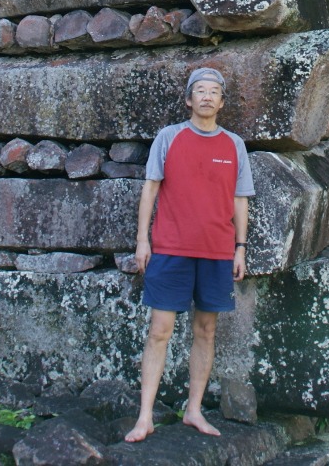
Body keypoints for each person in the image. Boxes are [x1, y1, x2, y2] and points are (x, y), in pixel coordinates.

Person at [123, 66, 254, 443]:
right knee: (159, 331)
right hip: (170, 248)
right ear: (188, 99)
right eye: (200, 90)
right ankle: (145, 415)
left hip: (216, 250)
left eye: (214, 91)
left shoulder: (234, 145)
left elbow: (239, 199)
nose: (207, 96)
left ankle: (193, 409)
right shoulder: (169, 137)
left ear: (222, 102)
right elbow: (151, 189)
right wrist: (142, 240)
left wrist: (240, 248)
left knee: (206, 330)